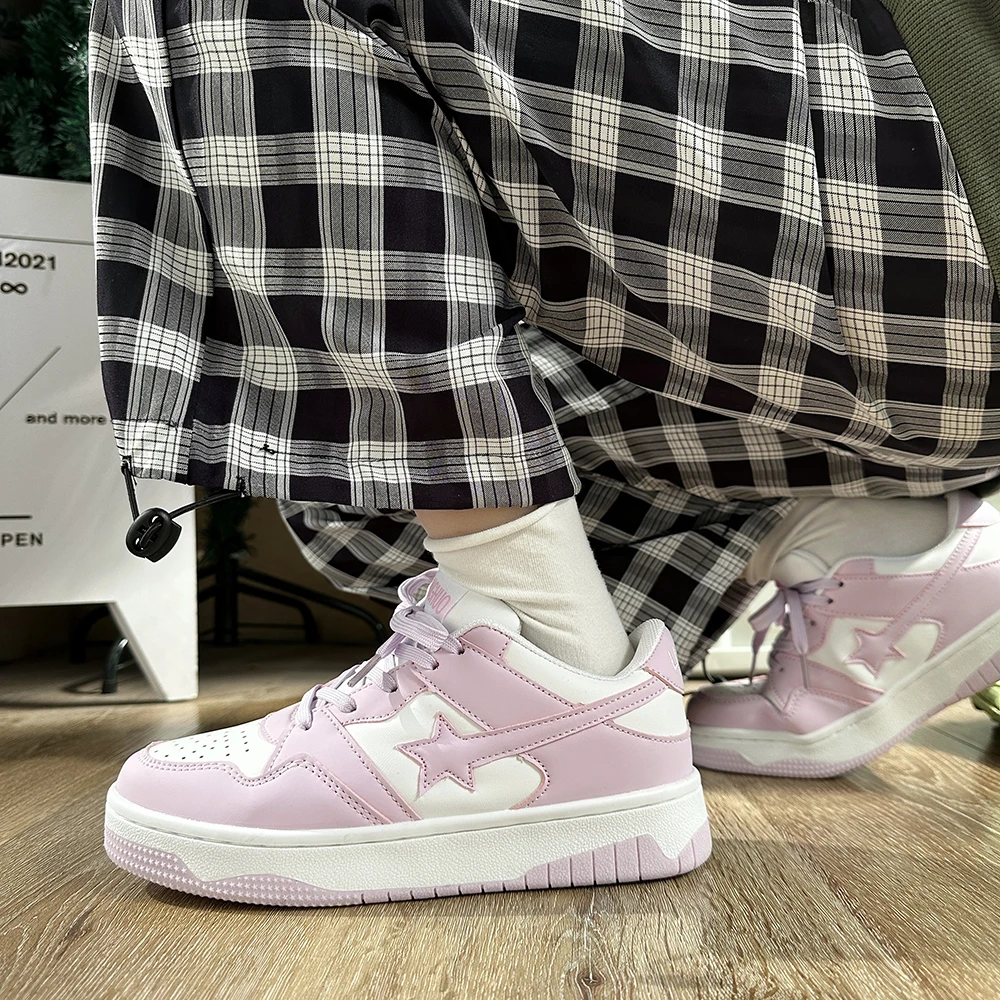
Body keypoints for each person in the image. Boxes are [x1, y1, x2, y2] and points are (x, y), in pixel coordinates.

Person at [89, 0, 1000, 905]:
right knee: (351, 499)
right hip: (918, 337)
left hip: (946, 168)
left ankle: (538, 670)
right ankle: (873, 543)